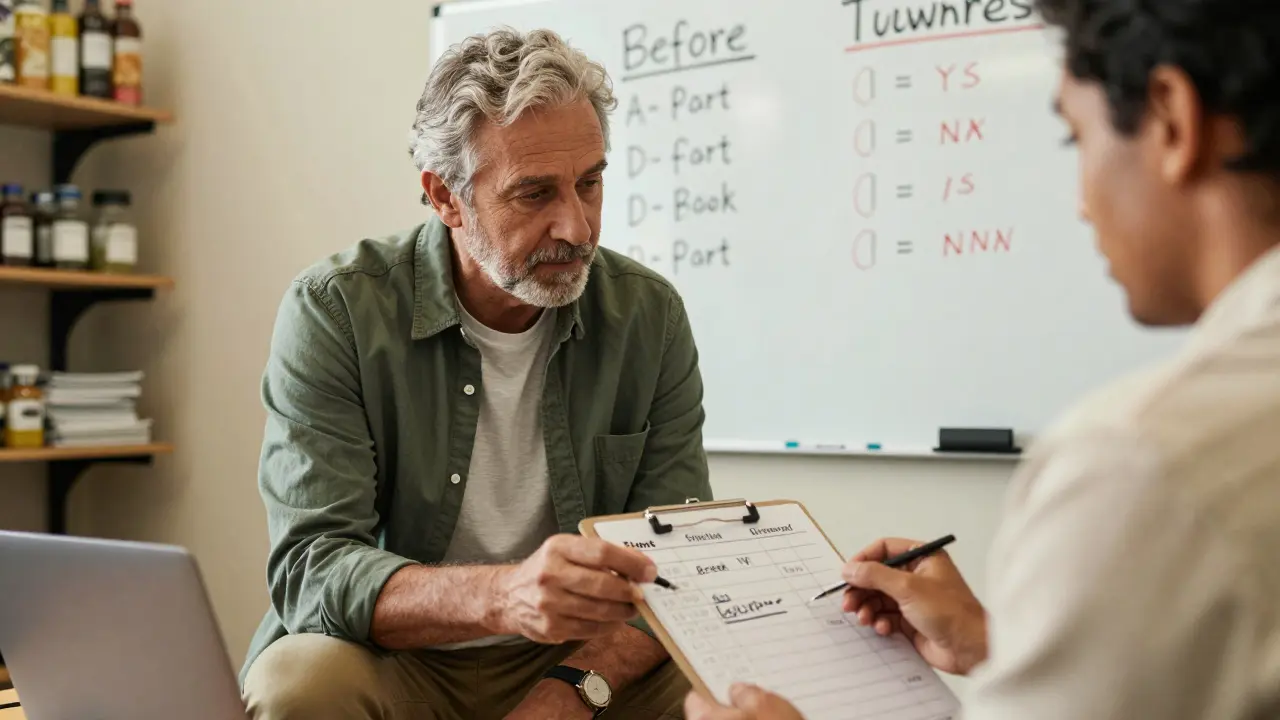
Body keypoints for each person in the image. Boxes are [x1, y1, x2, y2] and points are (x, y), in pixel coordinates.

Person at [686, 0, 1280, 718]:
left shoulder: (1139, 462)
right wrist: (991, 644)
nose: (1083, 204)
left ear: (1171, 119)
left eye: (1076, 139)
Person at [239, 28, 711, 720]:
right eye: (533, 194)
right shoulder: (336, 311)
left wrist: (569, 693)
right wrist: (504, 595)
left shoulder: (650, 315)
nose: (576, 227)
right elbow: (312, 568)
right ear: (444, 197)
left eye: (590, 183)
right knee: (297, 687)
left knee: (742, 691)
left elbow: (678, 566)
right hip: (401, 656)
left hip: (578, 656)